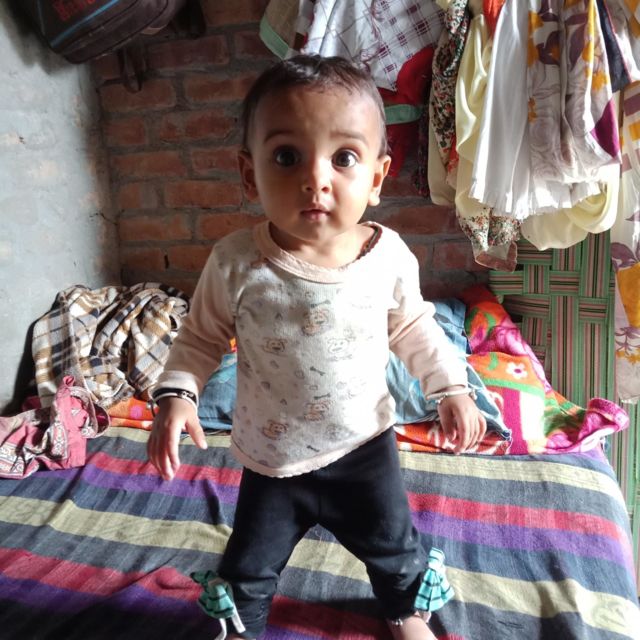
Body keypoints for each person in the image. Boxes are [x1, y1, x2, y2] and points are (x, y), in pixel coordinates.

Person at [147, 54, 487, 640]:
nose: (316, 178)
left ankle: (405, 612)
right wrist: (177, 396)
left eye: (344, 157)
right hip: (272, 459)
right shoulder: (236, 262)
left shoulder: (387, 257)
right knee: (248, 566)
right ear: (250, 174)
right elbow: (200, 336)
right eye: (287, 157)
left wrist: (450, 388)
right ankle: (241, 623)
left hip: (364, 447)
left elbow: (413, 327)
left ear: (376, 178)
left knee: (395, 548)